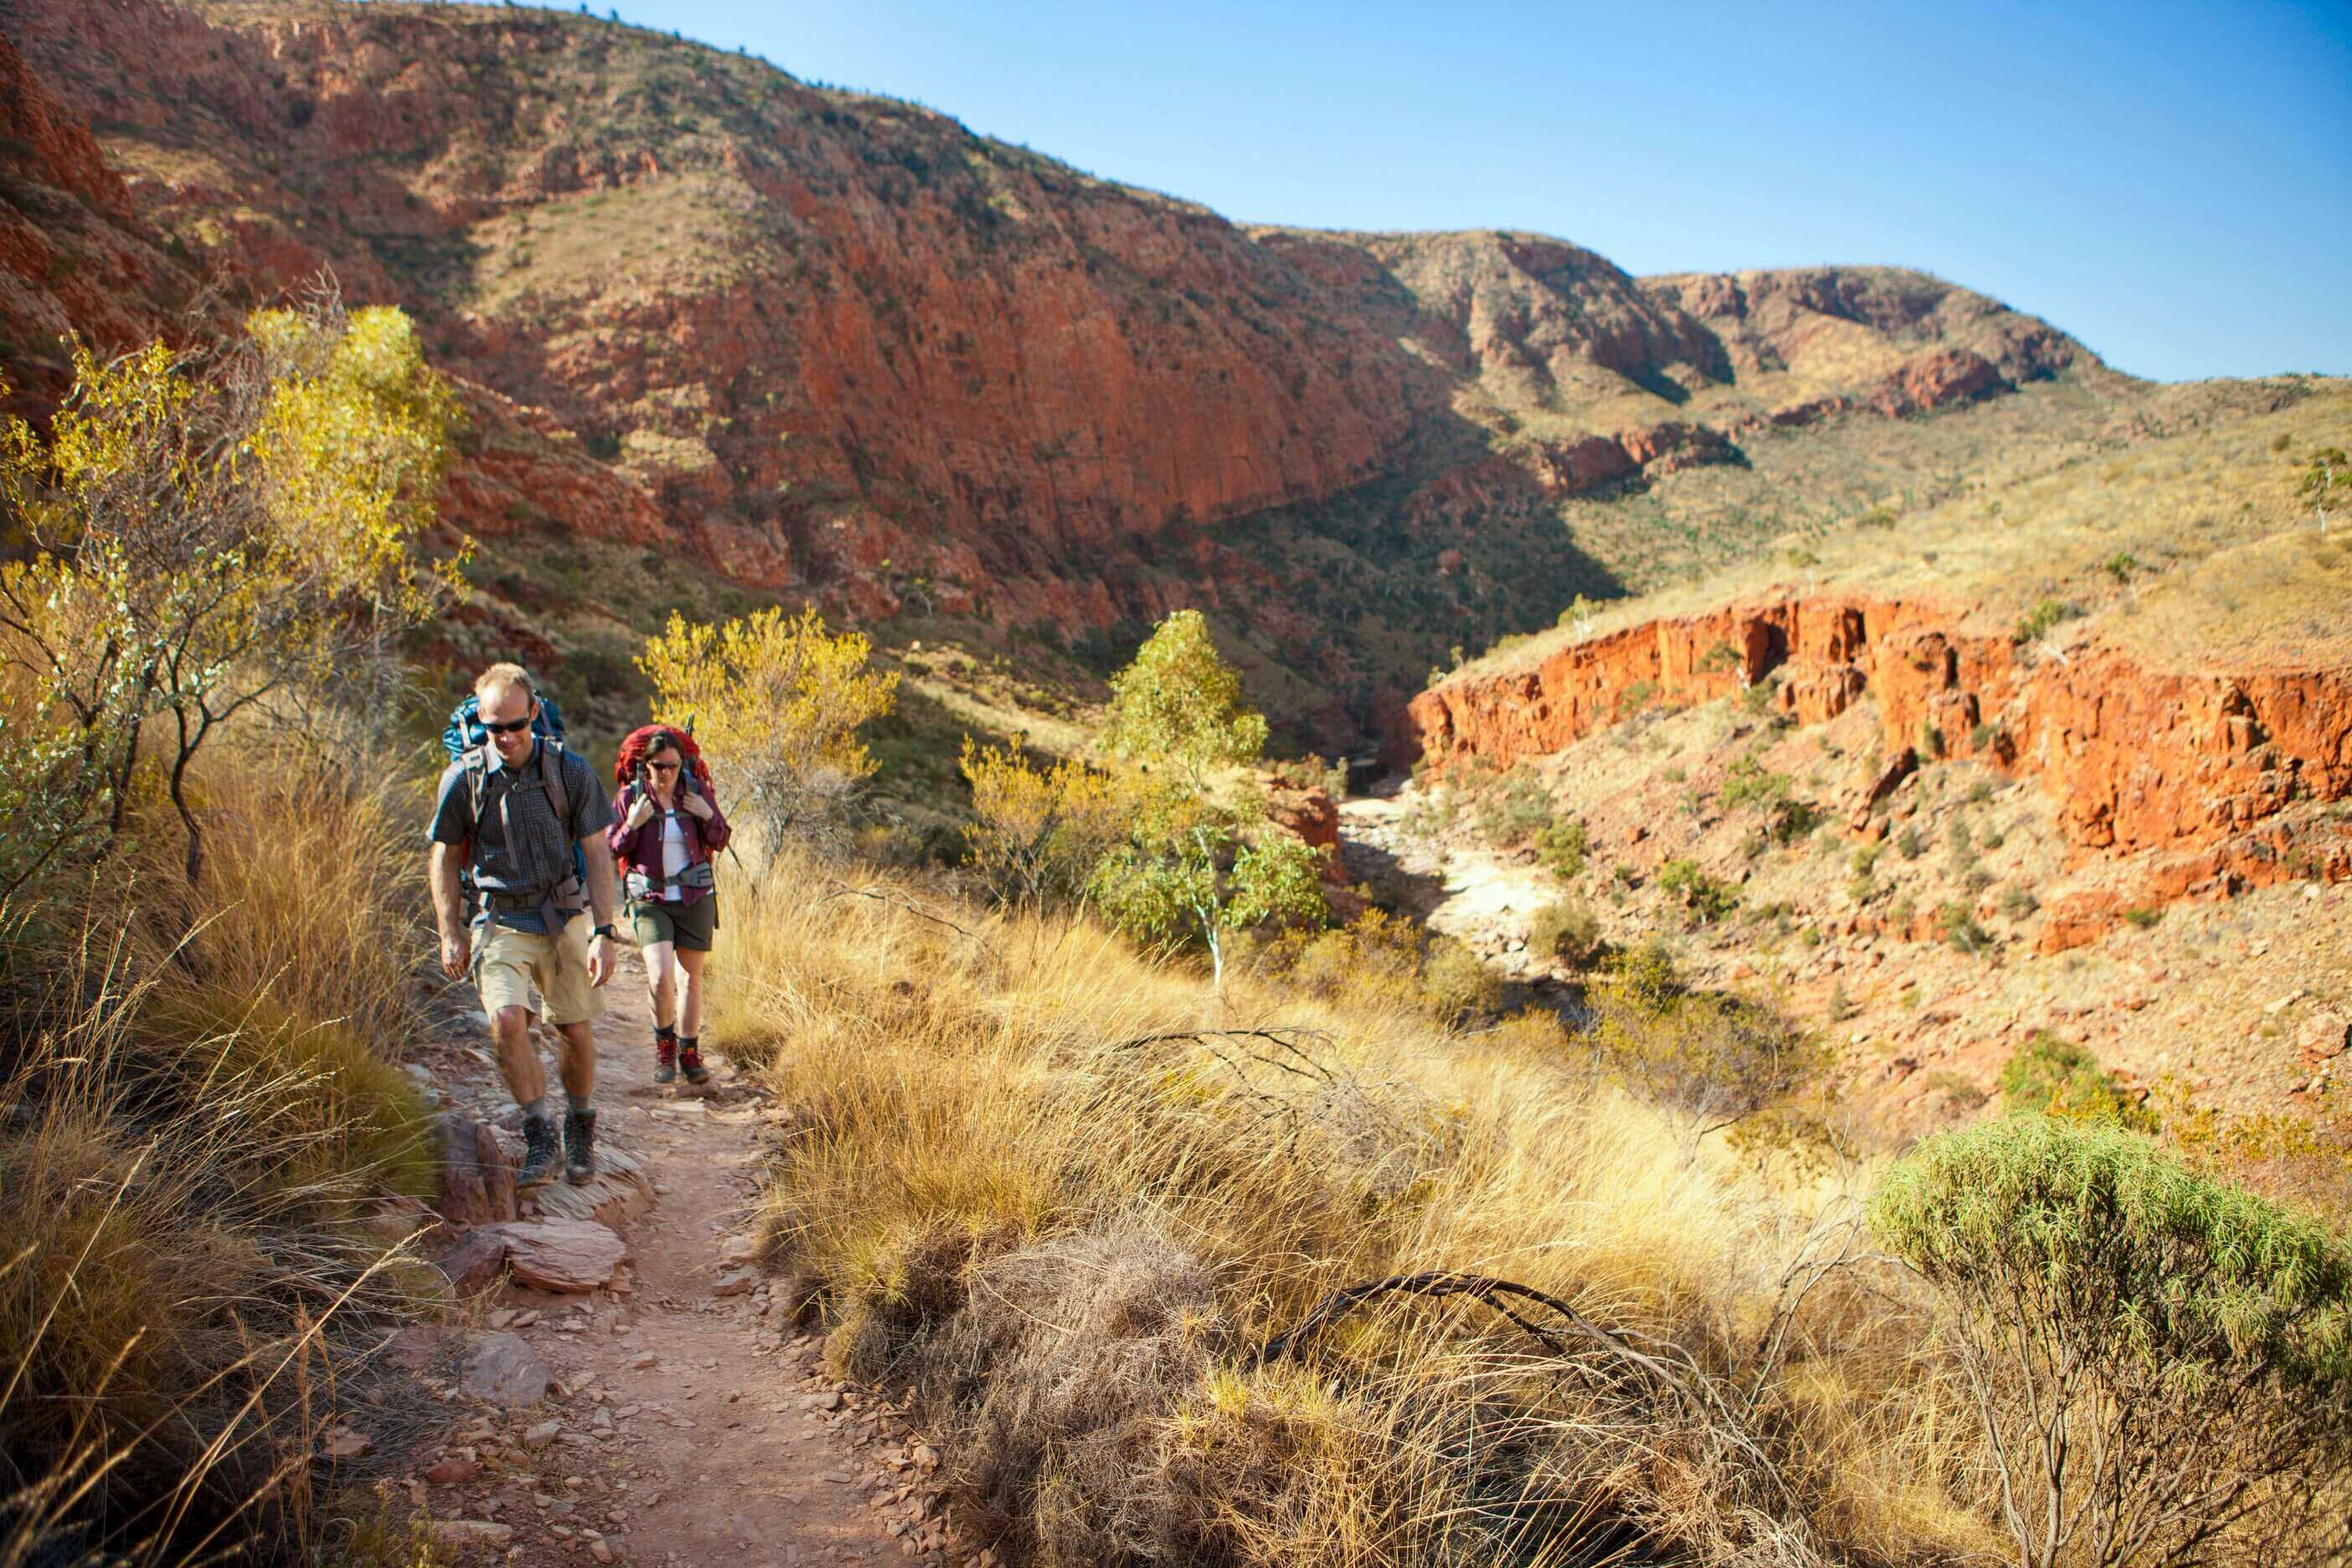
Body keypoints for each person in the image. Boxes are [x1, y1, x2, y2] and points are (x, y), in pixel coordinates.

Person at [428, 663, 621, 1187]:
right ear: (481, 722)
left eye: (515, 724)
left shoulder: (570, 772)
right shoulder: (464, 778)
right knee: (508, 1022)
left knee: (573, 1029)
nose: (506, 737)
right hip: (498, 915)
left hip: (561, 913)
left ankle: (580, 1120)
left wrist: (604, 930)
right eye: (494, 728)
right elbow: (444, 857)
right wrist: (450, 930)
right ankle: (540, 1130)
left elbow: (598, 854)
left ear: (534, 713)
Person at [608, 725, 730, 1086]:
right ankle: (665, 1044)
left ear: (682, 766)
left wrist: (706, 814)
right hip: (650, 899)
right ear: (646, 766)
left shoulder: (696, 791)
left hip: (695, 896)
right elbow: (612, 847)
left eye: (673, 766)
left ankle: (690, 1053)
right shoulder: (631, 798)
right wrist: (632, 824)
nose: (666, 773)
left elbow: (721, 838)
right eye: (658, 766)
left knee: (690, 980)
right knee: (661, 976)